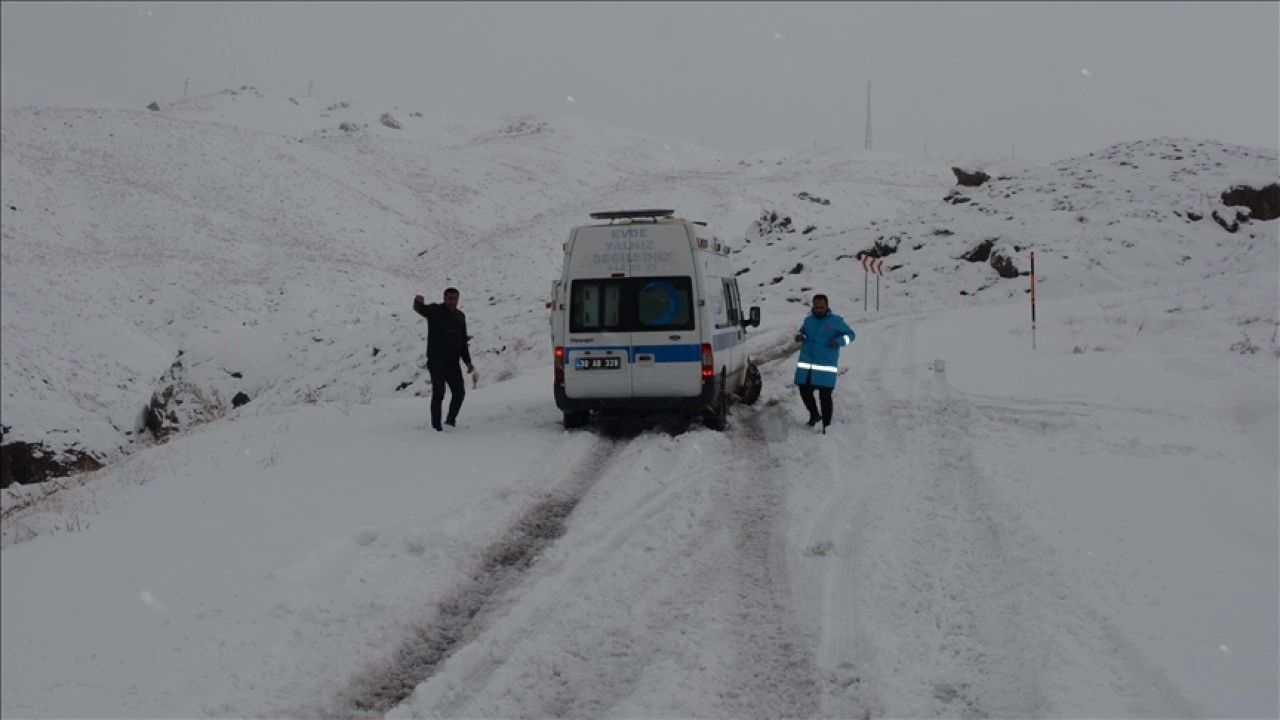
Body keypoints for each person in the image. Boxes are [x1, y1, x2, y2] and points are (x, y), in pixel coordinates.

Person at [413, 287, 475, 431]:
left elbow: (462, 341)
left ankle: (450, 420)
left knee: (459, 393)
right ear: (444, 298)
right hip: (436, 360)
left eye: (455, 298)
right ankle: (436, 428)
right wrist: (418, 302)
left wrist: (468, 362)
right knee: (439, 393)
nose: (452, 301)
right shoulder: (435, 310)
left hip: (453, 361)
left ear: (458, 299)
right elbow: (421, 309)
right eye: (450, 298)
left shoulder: (460, 316)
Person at [794, 293, 856, 433]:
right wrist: (800, 336)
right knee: (804, 391)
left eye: (821, 307)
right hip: (807, 366)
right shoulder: (808, 320)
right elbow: (803, 332)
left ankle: (826, 426)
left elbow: (851, 335)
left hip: (825, 367)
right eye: (816, 307)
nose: (819, 310)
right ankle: (815, 415)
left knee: (825, 397)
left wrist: (839, 341)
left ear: (827, 306)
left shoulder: (836, 321)